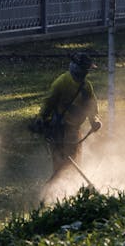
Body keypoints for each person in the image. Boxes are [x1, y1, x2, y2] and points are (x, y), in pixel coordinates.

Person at [38, 52, 102, 183]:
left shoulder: (86, 86)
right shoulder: (62, 82)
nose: (86, 72)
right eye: (84, 69)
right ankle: (49, 194)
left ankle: (71, 190)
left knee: (75, 162)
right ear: (76, 67)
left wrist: (94, 120)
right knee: (61, 166)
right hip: (59, 131)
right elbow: (49, 102)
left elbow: (91, 106)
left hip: (74, 131)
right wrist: (42, 119)